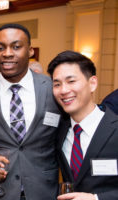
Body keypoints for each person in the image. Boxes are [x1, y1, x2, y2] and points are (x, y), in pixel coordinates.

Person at [0, 23, 61, 200]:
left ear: (30, 51)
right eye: (0, 48)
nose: (7, 53)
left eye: (16, 47)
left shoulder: (52, 89)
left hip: (43, 192)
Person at [47, 50, 118, 200]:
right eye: (57, 84)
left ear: (92, 83)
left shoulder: (115, 128)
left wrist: (96, 198)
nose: (64, 90)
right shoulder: (59, 133)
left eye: (71, 81)